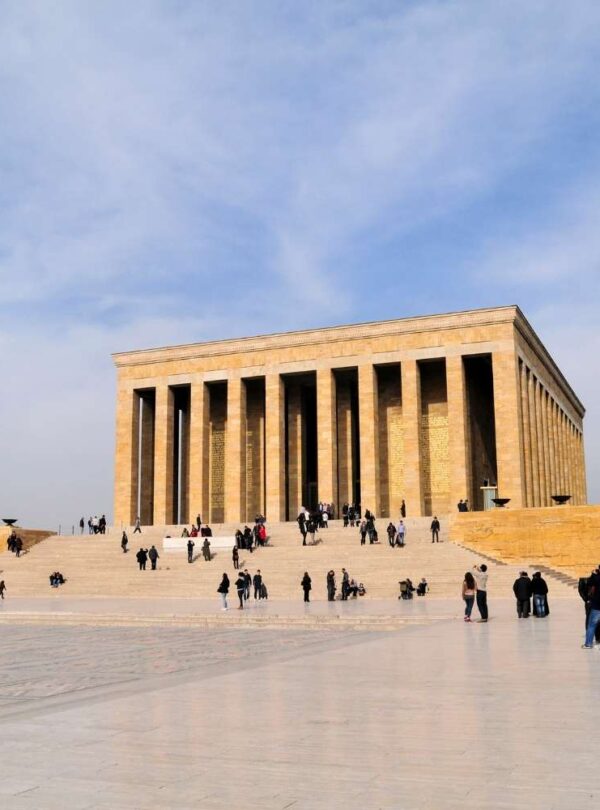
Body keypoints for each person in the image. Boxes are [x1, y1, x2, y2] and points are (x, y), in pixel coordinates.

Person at [582, 567, 600, 648]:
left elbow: (589, 583)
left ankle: (588, 644)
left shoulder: (596, 578)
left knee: (591, 625)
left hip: (597, 606)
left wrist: (593, 574)